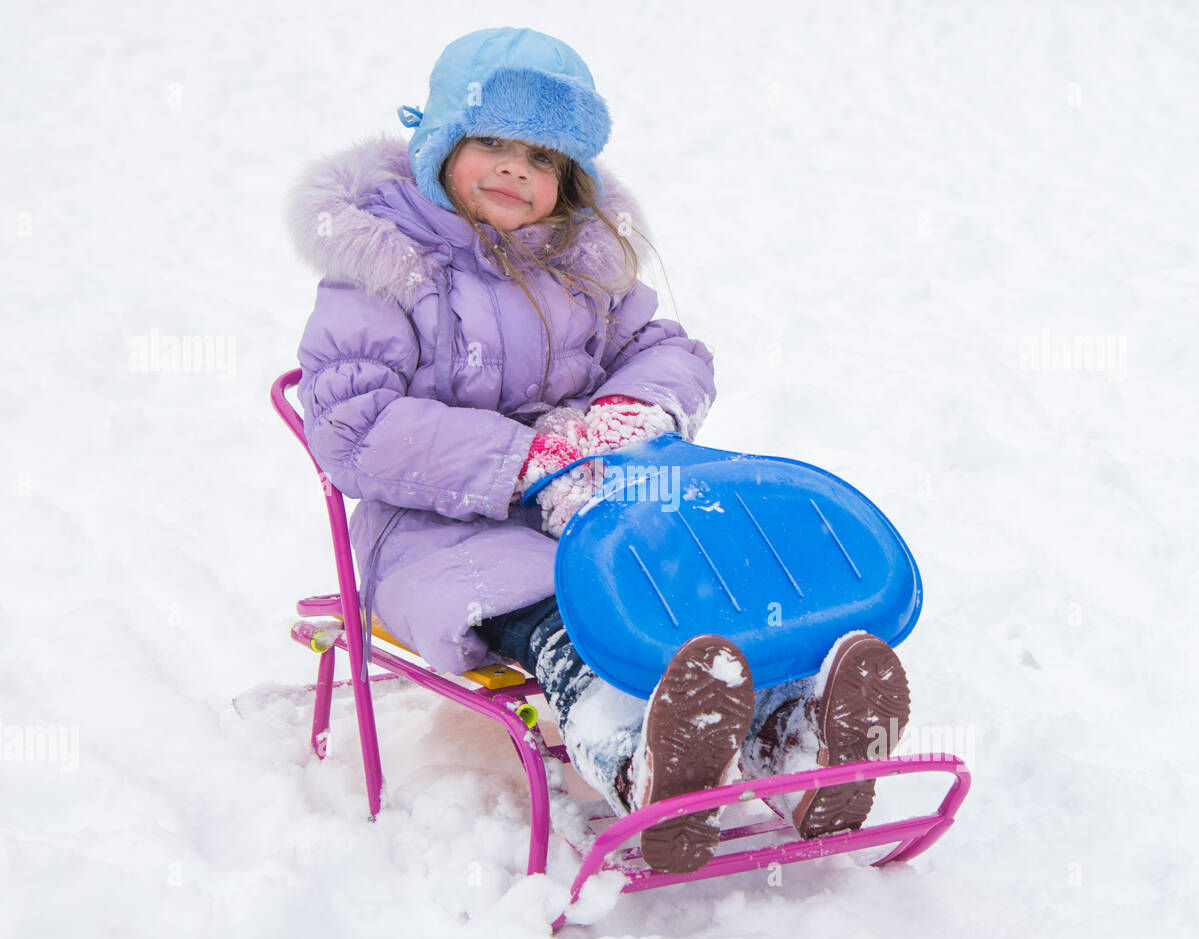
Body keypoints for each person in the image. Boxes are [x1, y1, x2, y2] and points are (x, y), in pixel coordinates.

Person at [288, 26, 911, 875]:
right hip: (436, 526)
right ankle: (638, 764)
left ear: (569, 179)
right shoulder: (384, 270)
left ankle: (797, 744)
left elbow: (669, 350)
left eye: (541, 158)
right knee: (568, 617)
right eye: (493, 144)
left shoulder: (581, 264)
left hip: (595, 497)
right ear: (440, 146)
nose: (515, 169)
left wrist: (623, 416)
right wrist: (527, 457)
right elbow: (352, 428)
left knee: (697, 589)